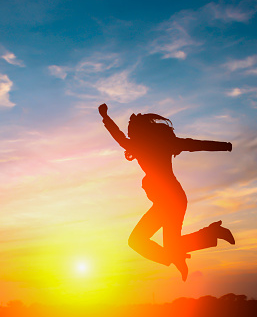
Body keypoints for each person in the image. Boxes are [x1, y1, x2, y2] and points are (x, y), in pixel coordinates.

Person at [99, 103, 235, 281]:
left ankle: (205, 238)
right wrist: (225, 146)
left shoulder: (150, 145)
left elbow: (196, 144)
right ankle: (193, 244)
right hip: (168, 200)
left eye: (131, 129)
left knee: (141, 241)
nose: (129, 133)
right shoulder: (150, 145)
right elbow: (194, 144)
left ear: (141, 131)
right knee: (150, 243)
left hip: (171, 200)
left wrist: (105, 117)